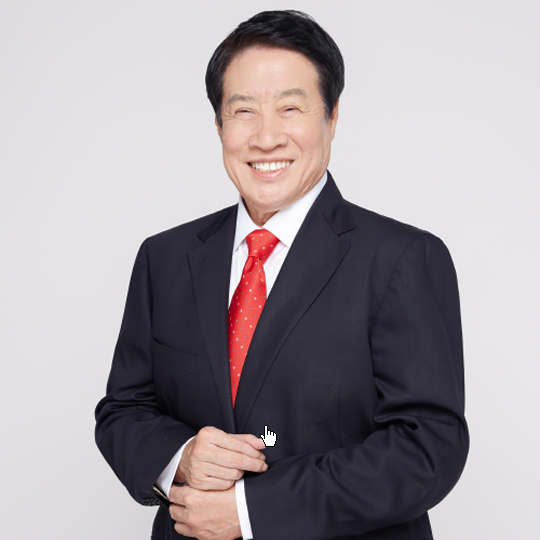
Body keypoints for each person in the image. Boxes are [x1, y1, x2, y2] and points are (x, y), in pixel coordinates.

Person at [95, 10, 469, 540]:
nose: (266, 137)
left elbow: (427, 448)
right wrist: (181, 456)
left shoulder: (403, 258)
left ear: (332, 117)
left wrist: (251, 510)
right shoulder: (166, 258)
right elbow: (123, 410)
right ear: (219, 125)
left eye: (290, 108)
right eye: (243, 110)